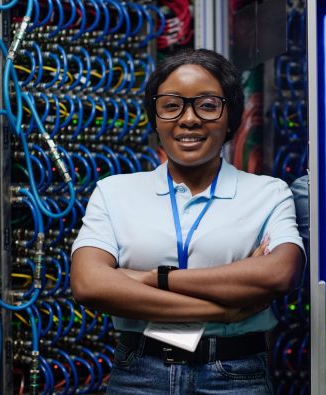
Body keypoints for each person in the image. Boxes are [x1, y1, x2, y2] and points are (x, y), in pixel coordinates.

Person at [71, 48, 304, 395]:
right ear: (155, 117)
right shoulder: (114, 192)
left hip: (234, 375)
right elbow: (90, 285)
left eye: (207, 105)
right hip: (140, 373)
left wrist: (154, 277)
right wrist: (223, 312)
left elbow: (280, 273)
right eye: (171, 105)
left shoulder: (267, 193)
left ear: (231, 117)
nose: (189, 119)